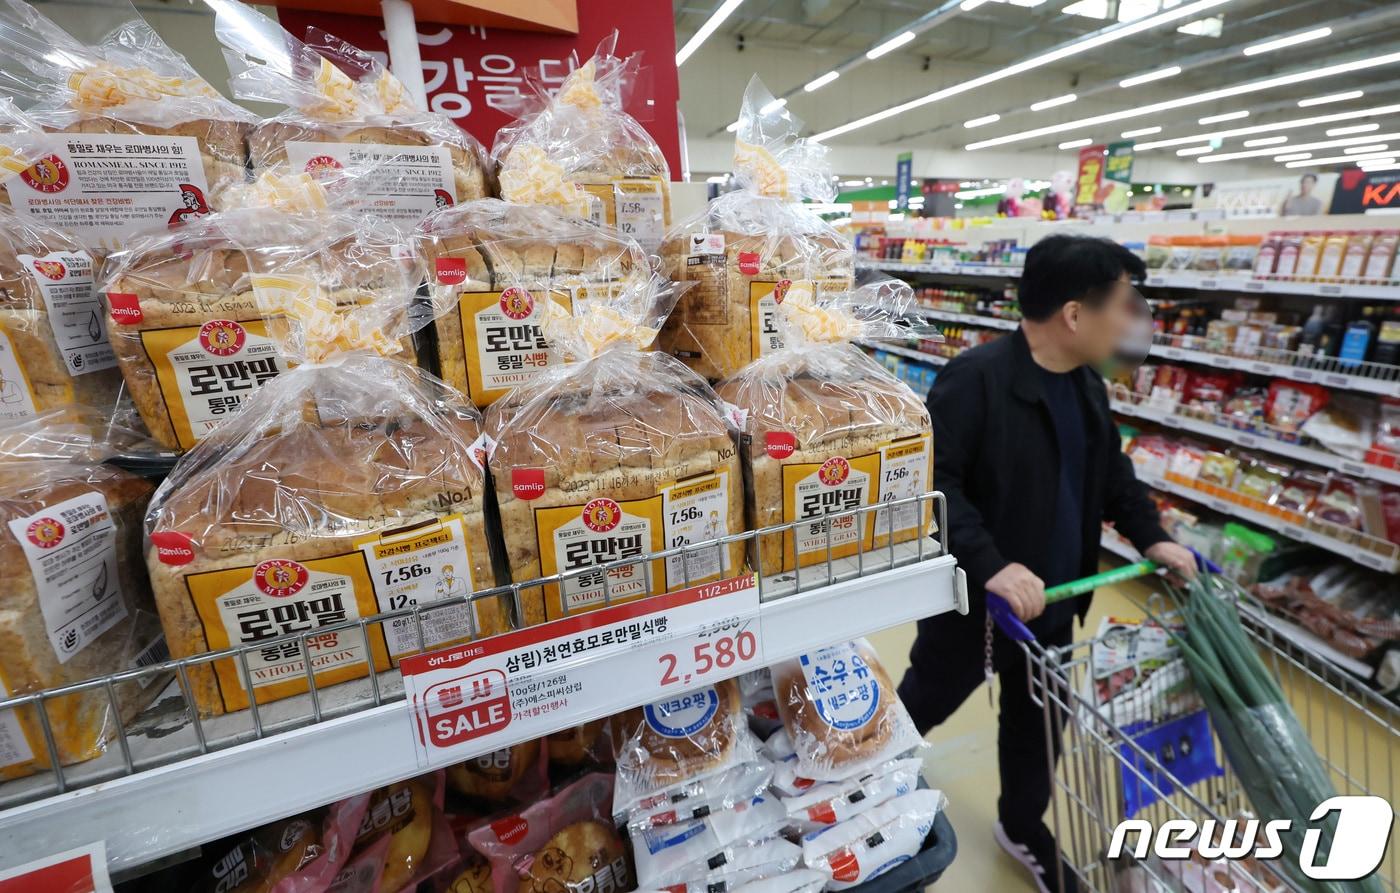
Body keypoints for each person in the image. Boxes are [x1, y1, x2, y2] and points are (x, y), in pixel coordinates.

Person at [897, 235, 1197, 893]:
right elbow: (934, 483)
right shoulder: (975, 380)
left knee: (1039, 729)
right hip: (976, 611)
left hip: (1058, 606)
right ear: (1074, 313)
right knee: (921, 704)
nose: (1131, 320)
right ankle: (862, 784)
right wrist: (992, 565)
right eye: (1124, 303)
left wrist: (1153, 536)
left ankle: (1022, 824)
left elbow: (1113, 476)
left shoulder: (1088, 384)